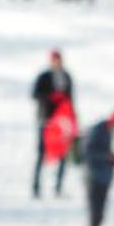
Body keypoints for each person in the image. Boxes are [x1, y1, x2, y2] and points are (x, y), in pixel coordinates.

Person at [32, 49, 75, 196]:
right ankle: (36, 187)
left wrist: (72, 119)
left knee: (63, 154)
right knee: (41, 153)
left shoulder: (67, 76)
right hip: (46, 120)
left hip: (61, 122)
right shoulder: (44, 76)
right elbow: (35, 94)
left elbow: (71, 99)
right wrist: (50, 97)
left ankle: (58, 187)